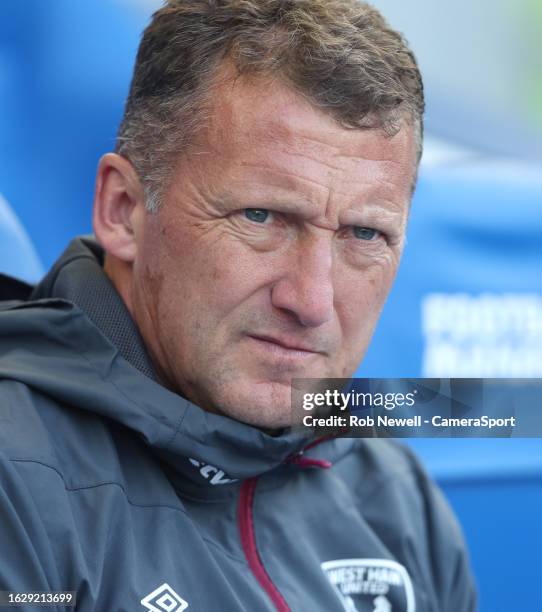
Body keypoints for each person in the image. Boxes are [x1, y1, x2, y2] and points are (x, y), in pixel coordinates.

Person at [0, 1, 476, 610]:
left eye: (364, 235)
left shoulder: (394, 496)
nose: (311, 300)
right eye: (262, 216)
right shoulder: (17, 480)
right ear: (124, 210)